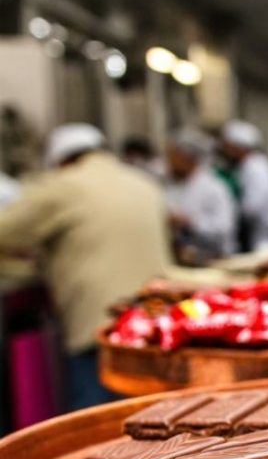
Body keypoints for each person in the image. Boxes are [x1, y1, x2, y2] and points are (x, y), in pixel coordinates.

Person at [0, 124, 171, 410]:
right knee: (146, 412)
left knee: (95, 418)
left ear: (62, 161)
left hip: (98, 324)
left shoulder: (64, 186)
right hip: (153, 316)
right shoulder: (142, 183)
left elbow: (6, 232)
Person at [165, 129, 238, 260]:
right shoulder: (174, 185)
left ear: (186, 158)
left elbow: (223, 229)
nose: (168, 162)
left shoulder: (214, 187)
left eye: (172, 156)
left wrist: (189, 222)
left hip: (214, 258)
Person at [220, 120, 268, 253]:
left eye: (228, 146)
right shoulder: (256, 164)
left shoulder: (254, 167)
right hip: (262, 234)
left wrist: (230, 213)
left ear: (237, 147)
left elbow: (254, 207)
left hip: (263, 236)